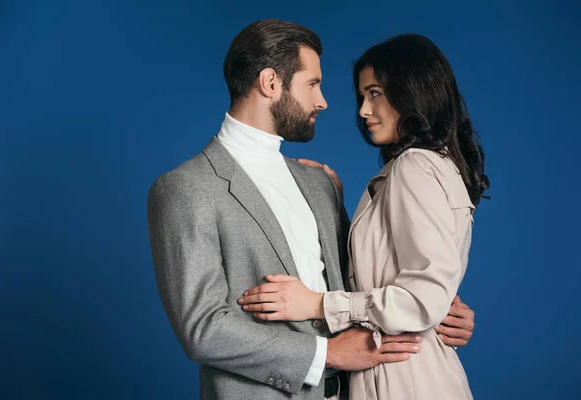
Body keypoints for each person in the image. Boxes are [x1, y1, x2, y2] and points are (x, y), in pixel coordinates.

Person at [148, 20, 475, 400]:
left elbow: (367, 279)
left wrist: (439, 311)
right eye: (313, 84)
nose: (323, 101)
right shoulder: (186, 189)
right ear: (271, 83)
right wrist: (326, 353)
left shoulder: (318, 184)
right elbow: (203, 329)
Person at [239, 33, 488, 399]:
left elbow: (424, 298)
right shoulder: (438, 166)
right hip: (412, 373)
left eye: (375, 93)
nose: (362, 111)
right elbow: (421, 284)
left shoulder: (415, 166)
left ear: (413, 91)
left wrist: (318, 304)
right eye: (362, 96)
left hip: (405, 380)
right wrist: (337, 208)